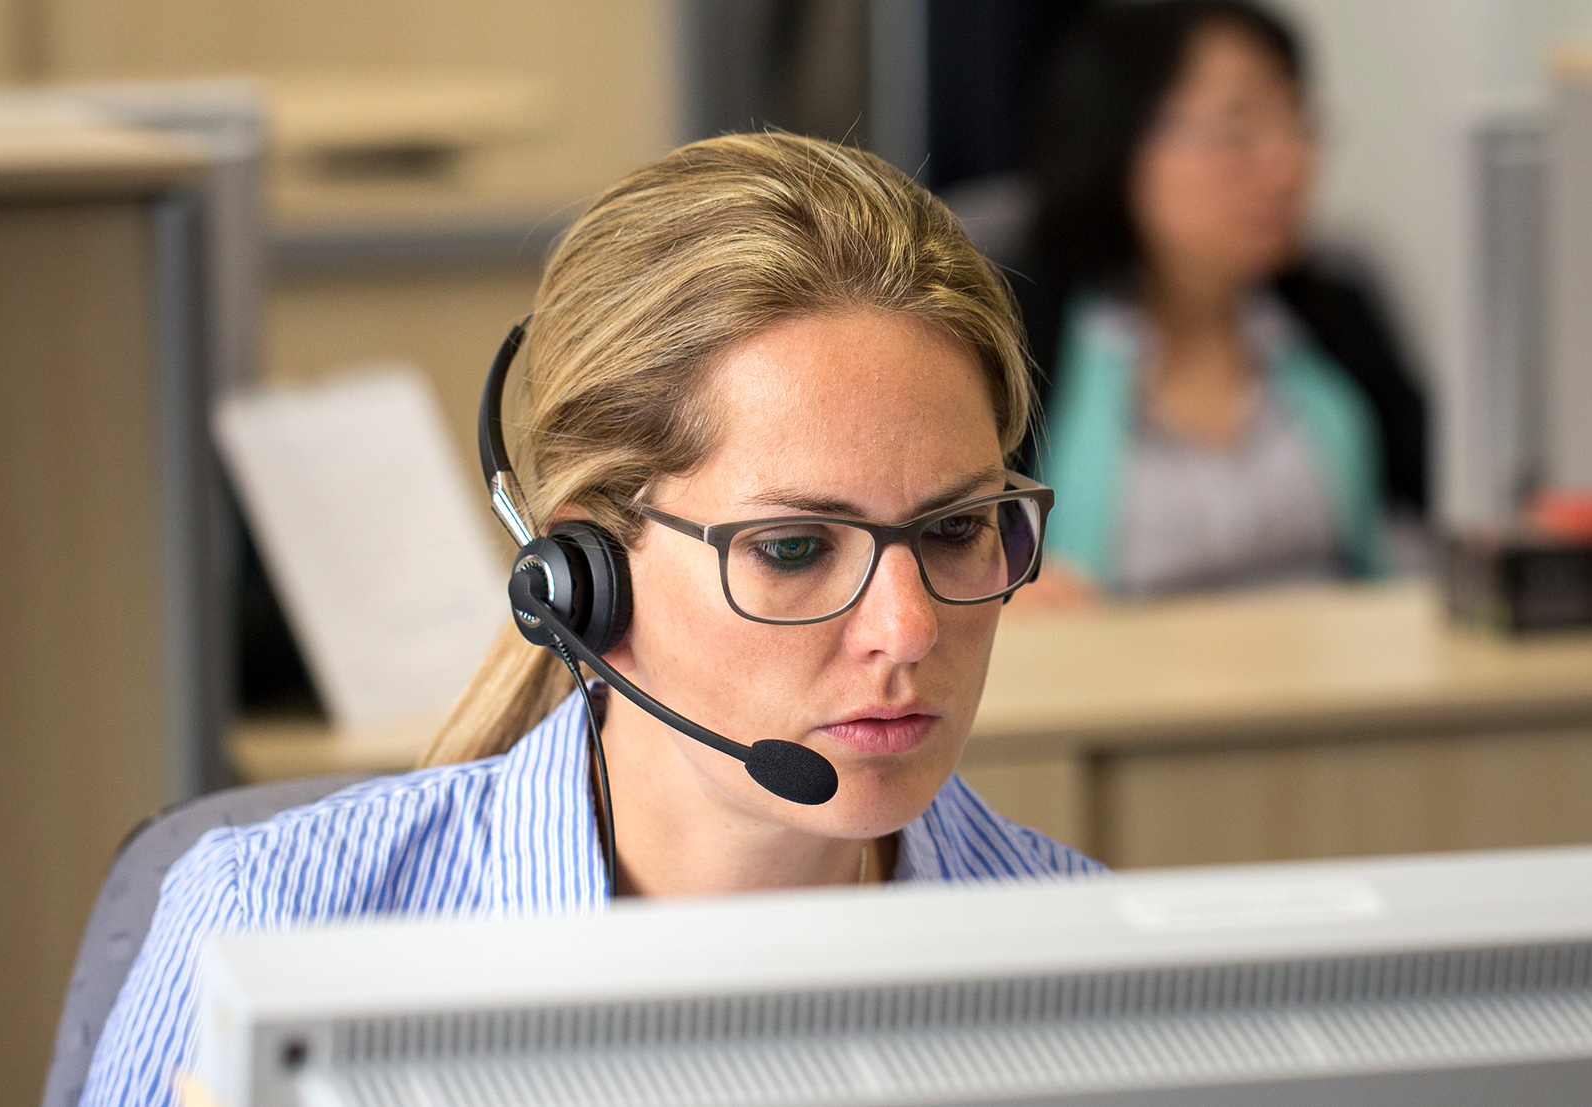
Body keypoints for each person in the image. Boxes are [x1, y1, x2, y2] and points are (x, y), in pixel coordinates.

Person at [79, 133, 1103, 1106]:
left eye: (959, 526)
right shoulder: (275, 927)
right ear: (586, 576)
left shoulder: (1097, 961)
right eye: (793, 547)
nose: (909, 628)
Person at [1014, 0, 1429, 603]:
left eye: (1297, 124)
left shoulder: (1337, 312)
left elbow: (1430, 514)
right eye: (1238, 133)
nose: (1287, 164)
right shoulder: (1031, 329)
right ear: (1121, 139)